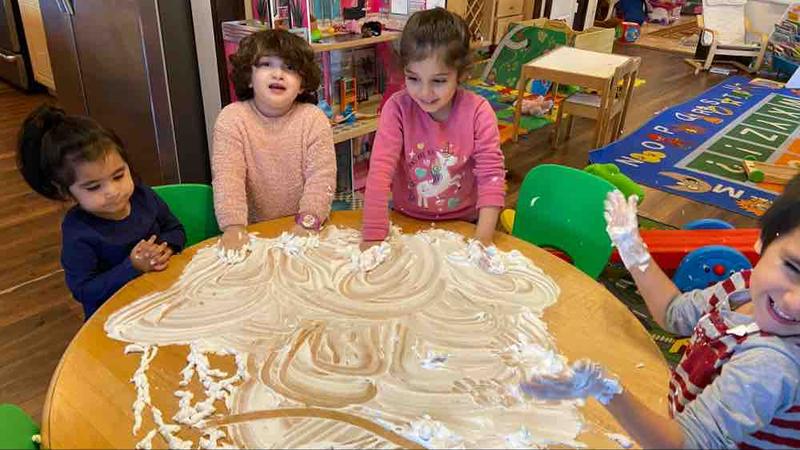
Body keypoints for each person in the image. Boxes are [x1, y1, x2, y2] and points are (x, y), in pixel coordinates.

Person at [521, 179, 800, 448]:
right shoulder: (741, 285)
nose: (795, 302)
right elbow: (673, 312)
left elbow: (686, 443)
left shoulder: (771, 365)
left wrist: (607, 390)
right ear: (763, 242)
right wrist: (632, 249)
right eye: (794, 268)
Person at [17, 105, 185, 319]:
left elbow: (175, 228)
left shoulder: (143, 197)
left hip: (162, 298)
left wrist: (166, 248)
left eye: (118, 176)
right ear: (65, 191)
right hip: (115, 318)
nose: (113, 192)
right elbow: (84, 290)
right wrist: (132, 267)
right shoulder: (79, 233)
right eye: (94, 187)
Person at [360, 8, 505, 250]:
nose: (425, 93)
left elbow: (491, 177)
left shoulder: (479, 113)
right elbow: (380, 171)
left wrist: (482, 240)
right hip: (405, 220)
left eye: (438, 81)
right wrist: (373, 236)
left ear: (460, 74)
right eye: (413, 78)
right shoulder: (397, 109)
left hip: (465, 223)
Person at [213, 29, 336, 261]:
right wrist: (233, 227)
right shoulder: (231, 119)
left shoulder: (313, 118)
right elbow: (228, 178)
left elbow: (322, 177)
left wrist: (309, 220)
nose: (278, 74)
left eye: (289, 67)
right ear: (248, 77)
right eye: (266, 64)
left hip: (305, 226)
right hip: (254, 233)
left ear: (302, 84)